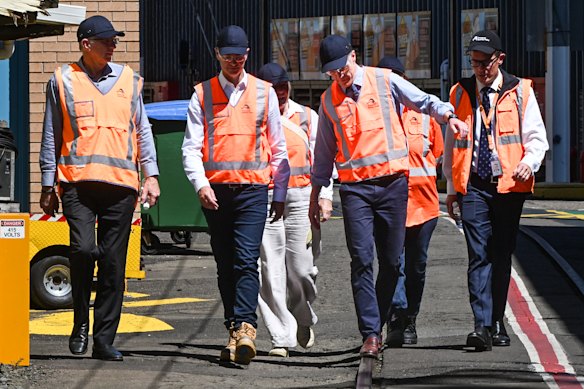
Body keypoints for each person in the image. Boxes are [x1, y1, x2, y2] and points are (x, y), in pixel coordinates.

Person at [309, 35, 468, 359]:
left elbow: (422, 100)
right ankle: (370, 333)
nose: (340, 76)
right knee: (362, 260)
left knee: (393, 263)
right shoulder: (328, 102)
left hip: (394, 185)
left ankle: (378, 323)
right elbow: (324, 154)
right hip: (355, 191)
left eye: (342, 68)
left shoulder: (384, 81)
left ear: (354, 57)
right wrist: (319, 194)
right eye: (332, 72)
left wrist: (448, 115)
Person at [39, 15, 160, 362]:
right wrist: (48, 183)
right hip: (77, 183)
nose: (114, 45)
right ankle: (80, 321)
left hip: (121, 187)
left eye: (115, 40)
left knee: (111, 264)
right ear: (85, 45)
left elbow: (142, 130)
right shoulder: (63, 80)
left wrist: (150, 175)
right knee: (82, 250)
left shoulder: (130, 81)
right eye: (106, 40)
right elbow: (51, 133)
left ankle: (103, 340)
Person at [182, 25, 290, 366]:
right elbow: (190, 147)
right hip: (216, 192)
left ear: (248, 55)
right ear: (217, 54)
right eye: (228, 56)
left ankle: (246, 328)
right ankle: (234, 328)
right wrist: (200, 184)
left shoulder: (264, 92)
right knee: (225, 263)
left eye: (239, 56)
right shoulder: (202, 94)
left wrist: (280, 193)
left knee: (245, 260)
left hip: (254, 190)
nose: (233, 62)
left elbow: (278, 146)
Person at [443, 30, 548, 351]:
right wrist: (450, 188)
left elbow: (537, 138)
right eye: (474, 62)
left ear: (499, 59)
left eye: (485, 62)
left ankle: (498, 320)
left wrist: (529, 162)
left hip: (508, 186)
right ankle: (481, 325)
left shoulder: (521, 92)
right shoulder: (459, 93)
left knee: (501, 254)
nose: (479, 69)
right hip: (473, 186)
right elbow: (451, 146)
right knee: (478, 255)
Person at [255, 63, 333, 358]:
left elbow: (325, 158)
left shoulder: (307, 117)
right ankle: (281, 336)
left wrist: (324, 196)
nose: (281, 91)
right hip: (266, 196)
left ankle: (302, 316)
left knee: (301, 269)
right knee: (269, 268)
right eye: (274, 87)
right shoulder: (256, 118)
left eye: (284, 85)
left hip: (301, 196)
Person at [376, 56, 444, 348]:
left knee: (417, 266)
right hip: (391, 204)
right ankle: (397, 319)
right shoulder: (375, 117)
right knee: (394, 265)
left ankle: (411, 316)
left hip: (424, 204)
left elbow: (437, 154)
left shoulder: (426, 115)